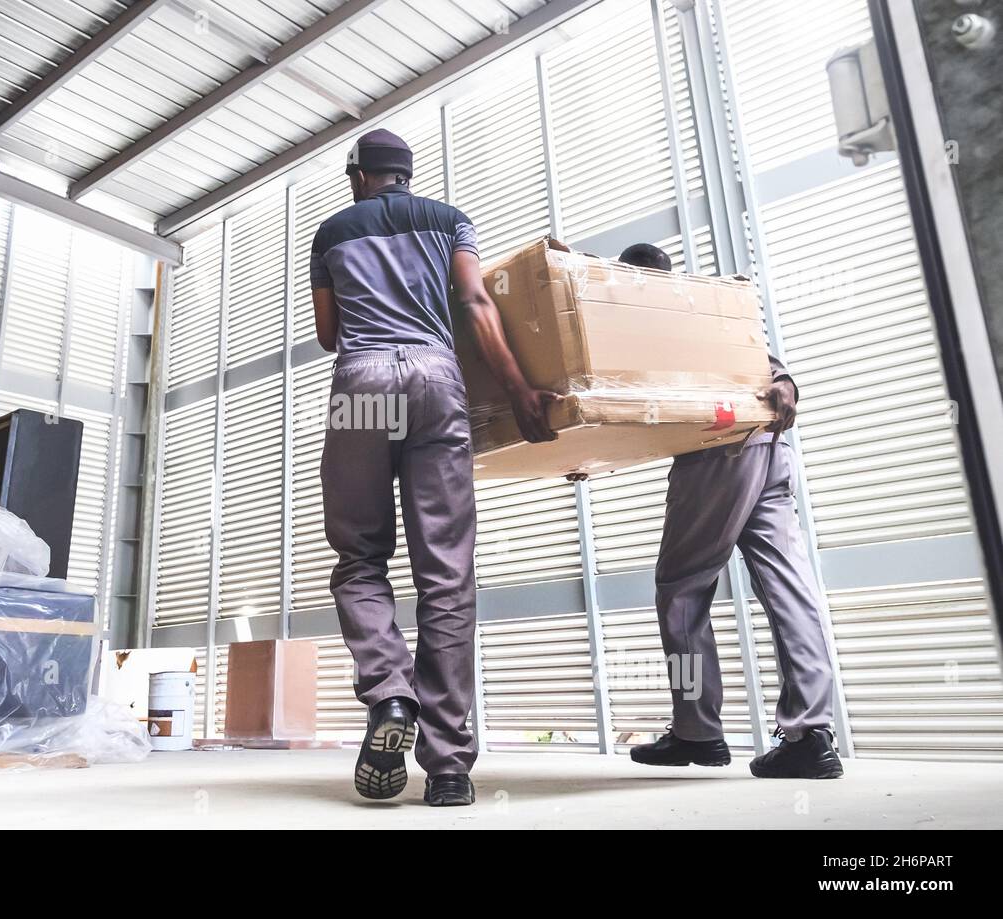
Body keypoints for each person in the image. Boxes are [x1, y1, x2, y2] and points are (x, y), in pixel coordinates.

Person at [311, 129, 557, 806]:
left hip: (361, 385)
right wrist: (517, 390)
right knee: (446, 571)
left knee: (360, 555)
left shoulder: (331, 231)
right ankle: (449, 766)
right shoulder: (451, 220)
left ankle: (391, 695)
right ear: (408, 176)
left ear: (360, 176)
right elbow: (477, 304)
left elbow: (330, 332)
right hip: (434, 379)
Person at [582, 243, 844, 779]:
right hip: (771, 448)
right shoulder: (704, 307)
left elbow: (612, 395)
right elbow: (770, 371)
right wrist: (785, 380)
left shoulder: (636, 319)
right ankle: (811, 734)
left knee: (681, 588)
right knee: (789, 586)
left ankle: (697, 732)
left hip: (716, 452)